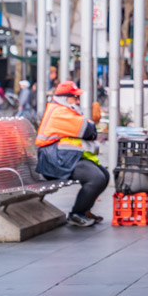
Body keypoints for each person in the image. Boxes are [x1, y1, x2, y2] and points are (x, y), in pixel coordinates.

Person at [34, 80, 109, 227]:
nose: (78, 100)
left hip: (63, 158)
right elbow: (88, 130)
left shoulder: (64, 109)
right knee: (96, 178)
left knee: (104, 176)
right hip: (54, 161)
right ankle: (76, 214)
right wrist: (90, 128)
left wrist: (90, 128)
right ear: (65, 98)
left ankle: (84, 210)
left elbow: (90, 131)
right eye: (75, 97)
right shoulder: (59, 112)